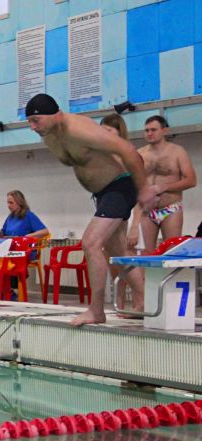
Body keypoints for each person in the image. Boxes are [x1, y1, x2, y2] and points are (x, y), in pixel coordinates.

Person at [25, 93, 157, 325]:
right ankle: (143, 302)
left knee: (91, 243)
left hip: (119, 187)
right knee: (118, 252)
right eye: (29, 122)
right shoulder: (51, 134)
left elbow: (128, 151)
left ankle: (96, 310)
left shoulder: (79, 129)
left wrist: (144, 188)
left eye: (36, 120)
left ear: (54, 114)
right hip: (103, 194)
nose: (32, 127)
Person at [132, 116, 196, 254]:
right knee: (145, 254)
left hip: (170, 209)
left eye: (153, 130)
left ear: (164, 130)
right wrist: (134, 222)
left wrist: (163, 187)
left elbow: (191, 180)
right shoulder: (140, 154)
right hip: (146, 210)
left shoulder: (177, 152)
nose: (149, 133)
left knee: (172, 252)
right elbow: (134, 185)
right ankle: (144, 277)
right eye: (147, 130)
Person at [100, 114, 141, 310]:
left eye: (108, 131)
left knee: (121, 252)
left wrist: (135, 226)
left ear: (119, 131)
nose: (104, 135)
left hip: (120, 203)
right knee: (113, 255)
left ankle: (141, 299)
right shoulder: (105, 155)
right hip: (107, 202)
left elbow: (140, 191)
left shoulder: (126, 154)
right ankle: (121, 302)